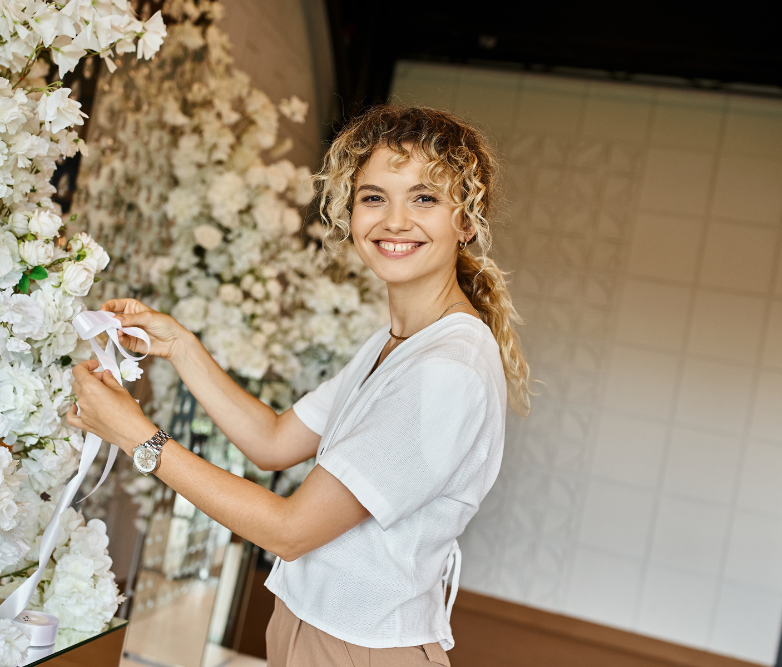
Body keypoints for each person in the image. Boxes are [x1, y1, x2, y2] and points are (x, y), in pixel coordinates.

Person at [67, 105, 531, 667]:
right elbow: (273, 442)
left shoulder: (447, 369)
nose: (395, 221)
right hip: (304, 625)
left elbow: (290, 530)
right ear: (350, 211)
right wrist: (181, 347)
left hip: (363, 648)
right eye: (374, 197)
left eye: (424, 198)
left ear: (466, 222)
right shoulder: (394, 343)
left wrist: (136, 436)